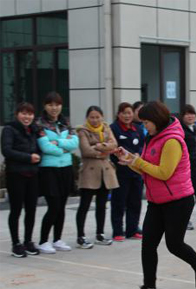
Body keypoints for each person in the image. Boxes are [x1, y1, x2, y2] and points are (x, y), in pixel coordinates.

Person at [115, 101, 196, 289]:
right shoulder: (152, 138)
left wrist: (138, 161)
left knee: (174, 244)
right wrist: (130, 160)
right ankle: (149, 287)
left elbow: (164, 173)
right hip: (156, 201)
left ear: (156, 120)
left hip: (179, 201)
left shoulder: (172, 141)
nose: (144, 126)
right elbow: (146, 169)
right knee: (148, 244)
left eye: (146, 122)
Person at [36, 92, 79, 254]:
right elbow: (45, 147)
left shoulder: (65, 122)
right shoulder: (40, 124)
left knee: (61, 206)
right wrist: (63, 148)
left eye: (57, 104)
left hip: (66, 168)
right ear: (45, 106)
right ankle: (43, 240)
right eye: (50, 104)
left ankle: (57, 239)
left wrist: (59, 142)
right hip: (49, 169)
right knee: (53, 205)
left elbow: (74, 143)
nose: (54, 108)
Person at [74, 106, 119, 249]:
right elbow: (85, 150)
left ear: (102, 117)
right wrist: (103, 150)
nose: (95, 120)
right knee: (84, 205)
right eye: (92, 117)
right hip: (89, 172)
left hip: (105, 173)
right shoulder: (82, 131)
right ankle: (81, 236)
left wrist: (98, 145)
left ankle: (100, 234)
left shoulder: (106, 128)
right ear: (87, 118)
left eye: (97, 117)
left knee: (102, 205)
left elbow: (114, 145)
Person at [1, 102, 41, 257]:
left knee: (31, 210)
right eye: (24, 113)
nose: (27, 117)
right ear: (17, 114)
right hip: (16, 175)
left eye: (30, 114)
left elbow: (40, 149)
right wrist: (28, 158)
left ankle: (28, 241)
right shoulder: (9, 129)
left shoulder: (34, 130)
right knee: (16, 210)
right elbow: (7, 150)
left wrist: (38, 157)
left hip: (33, 175)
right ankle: (16, 243)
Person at [110, 102, 145, 241]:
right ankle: (118, 231)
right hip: (121, 171)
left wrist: (139, 154)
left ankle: (132, 229)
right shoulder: (114, 128)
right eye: (124, 113)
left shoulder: (137, 128)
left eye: (129, 113)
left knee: (135, 202)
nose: (127, 116)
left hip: (136, 171)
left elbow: (143, 145)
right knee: (119, 202)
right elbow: (113, 148)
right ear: (119, 114)